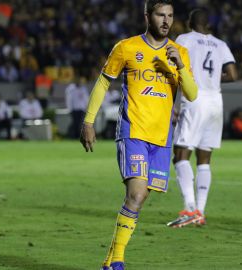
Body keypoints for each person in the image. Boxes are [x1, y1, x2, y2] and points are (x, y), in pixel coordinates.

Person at [79, 1, 197, 269]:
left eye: (170, 16)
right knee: (136, 193)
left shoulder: (180, 52)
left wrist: (179, 66)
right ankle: (119, 261)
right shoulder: (127, 47)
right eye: (160, 15)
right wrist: (88, 121)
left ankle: (109, 261)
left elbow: (192, 93)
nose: (166, 21)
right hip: (133, 130)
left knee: (140, 198)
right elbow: (103, 82)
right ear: (147, 16)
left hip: (161, 138)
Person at [167, 8, 237, 228]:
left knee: (180, 155)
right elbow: (233, 75)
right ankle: (201, 211)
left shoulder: (184, 40)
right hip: (216, 100)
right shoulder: (221, 44)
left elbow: (173, 69)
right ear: (208, 25)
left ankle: (190, 208)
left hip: (195, 98)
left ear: (190, 22)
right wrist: (214, 78)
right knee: (204, 158)